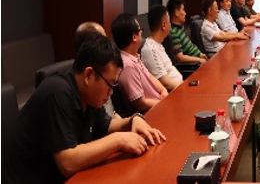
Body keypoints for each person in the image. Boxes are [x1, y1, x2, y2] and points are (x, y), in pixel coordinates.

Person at [3, 34, 166, 184]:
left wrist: (133, 120)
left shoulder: (88, 96)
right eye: (110, 84)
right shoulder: (57, 92)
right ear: (88, 75)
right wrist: (119, 140)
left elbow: (107, 125)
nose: (111, 92)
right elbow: (67, 162)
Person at [112, 13, 168, 113]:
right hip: (152, 112)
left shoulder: (133, 56)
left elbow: (150, 76)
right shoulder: (127, 66)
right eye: (140, 30)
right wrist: (164, 103)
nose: (141, 32)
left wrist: (163, 90)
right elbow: (141, 104)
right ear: (134, 37)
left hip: (159, 104)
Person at [74, 22, 119, 119]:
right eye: (103, 42)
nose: (111, 92)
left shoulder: (100, 78)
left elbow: (107, 121)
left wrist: (133, 119)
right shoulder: (60, 95)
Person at [141, 5, 183, 92]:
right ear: (164, 25)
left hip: (179, 88)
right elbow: (166, 83)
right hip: (174, 93)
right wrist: (185, 87)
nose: (170, 25)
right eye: (169, 22)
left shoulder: (158, 44)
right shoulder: (151, 50)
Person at [167, 0, 207, 65]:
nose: (185, 13)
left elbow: (189, 48)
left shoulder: (180, 28)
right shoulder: (174, 32)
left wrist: (200, 54)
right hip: (194, 65)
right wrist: (199, 60)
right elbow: (180, 58)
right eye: (183, 10)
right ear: (176, 13)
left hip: (199, 58)